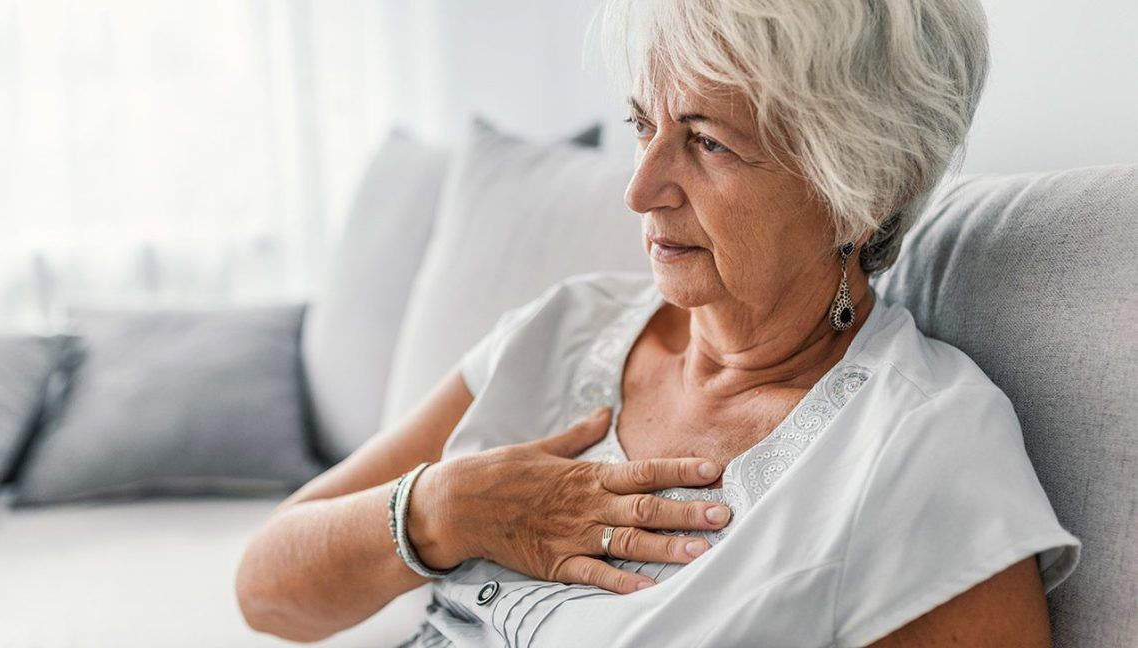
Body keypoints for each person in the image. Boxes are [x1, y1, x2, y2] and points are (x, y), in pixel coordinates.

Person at [235, 1, 1081, 645]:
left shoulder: (919, 445)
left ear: (863, 186)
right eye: (644, 124)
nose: (638, 189)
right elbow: (266, 588)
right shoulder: (562, 328)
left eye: (706, 141)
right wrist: (444, 509)